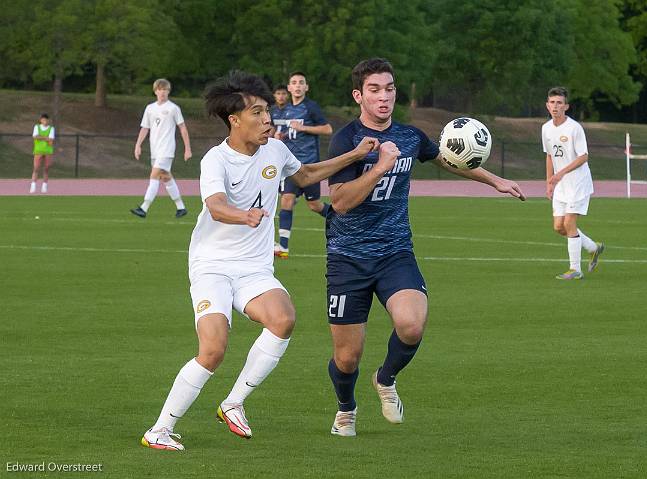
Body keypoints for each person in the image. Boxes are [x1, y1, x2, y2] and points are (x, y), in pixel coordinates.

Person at [140, 70, 378, 451]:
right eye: (257, 113)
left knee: (283, 319)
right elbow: (216, 207)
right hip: (212, 265)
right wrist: (244, 215)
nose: (267, 120)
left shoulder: (275, 149)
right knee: (214, 349)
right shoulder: (216, 160)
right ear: (235, 120)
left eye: (267, 111)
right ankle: (160, 429)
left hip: (253, 268)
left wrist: (354, 154)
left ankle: (233, 403)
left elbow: (307, 175)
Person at [324, 58, 526, 437]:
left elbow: (450, 159)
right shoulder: (346, 140)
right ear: (358, 96)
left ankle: (385, 379)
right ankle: (346, 409)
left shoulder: (410, 136)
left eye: (389, 88)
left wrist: (494, 179)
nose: (384, 97)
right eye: (374, 90)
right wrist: (380, 166)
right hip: (347, 258)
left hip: (395, 251)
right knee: (347, 357)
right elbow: (340, 202)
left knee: (412, 325)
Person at [542, 86, 604, 280]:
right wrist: (549, 182)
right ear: (547, 105)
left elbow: (583, 157)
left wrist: (560, 174)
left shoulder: (574, 128)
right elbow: (550, 156)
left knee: (569, 222)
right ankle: (593, 248)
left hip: (578, 182)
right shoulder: (546, 128)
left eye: (559, 103)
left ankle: (575, 269)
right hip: (561, 184)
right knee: (559, 227)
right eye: (552, 102)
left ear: (566, 106)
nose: (555, 106)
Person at [273, 71, 333, 259]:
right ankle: (283, 247)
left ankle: (343, 219)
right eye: (294, 83)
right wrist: (279, 136)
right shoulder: (287, 109)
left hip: (309, 167)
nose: (297, 85)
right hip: (292, 166)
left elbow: (327, 129)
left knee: (314, 205)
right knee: (286, 200)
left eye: (301, 83)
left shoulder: (310, 108)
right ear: (289, 88)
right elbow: (286, 133)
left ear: (306, 87)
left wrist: (303, 127)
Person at [131, 78, 192, 219]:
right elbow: (145, 128)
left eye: (165, 89)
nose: (162, 92)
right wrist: (138, 145)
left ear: (168, 91)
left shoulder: (173, 108)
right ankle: (181, 207)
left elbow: (182, 128)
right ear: (155, 91)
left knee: (154, 175)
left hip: (167, 149)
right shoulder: (150, 108)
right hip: (155, 150)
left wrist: (187, 148)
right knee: (165, 177)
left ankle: (143, 208)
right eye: (160, 89)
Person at [30, 113, 54, 194]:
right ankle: (33, 186)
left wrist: (42, 137)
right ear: (40, 120)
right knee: (36, 168)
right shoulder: (37, 127)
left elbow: (51, 139)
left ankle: (44, 186)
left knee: (46, 168)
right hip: (38, 150)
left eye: (46, 119)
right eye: (43, 119)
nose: (45, 121)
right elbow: (35, 136)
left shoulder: (51, 128)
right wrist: (45, 138)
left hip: (48, 151)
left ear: (48, 120)